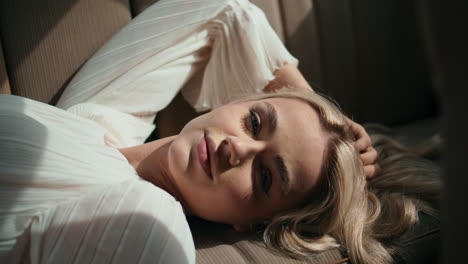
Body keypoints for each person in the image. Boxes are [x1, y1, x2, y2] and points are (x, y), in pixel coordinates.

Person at [0, 0, 439, 263]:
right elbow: (226, 15)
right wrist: (326, 117)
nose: (237, 149)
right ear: (233, 102)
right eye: (254, 122)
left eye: (266, 177)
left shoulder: (151, 224)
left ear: (246, 223)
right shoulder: (102, 119)